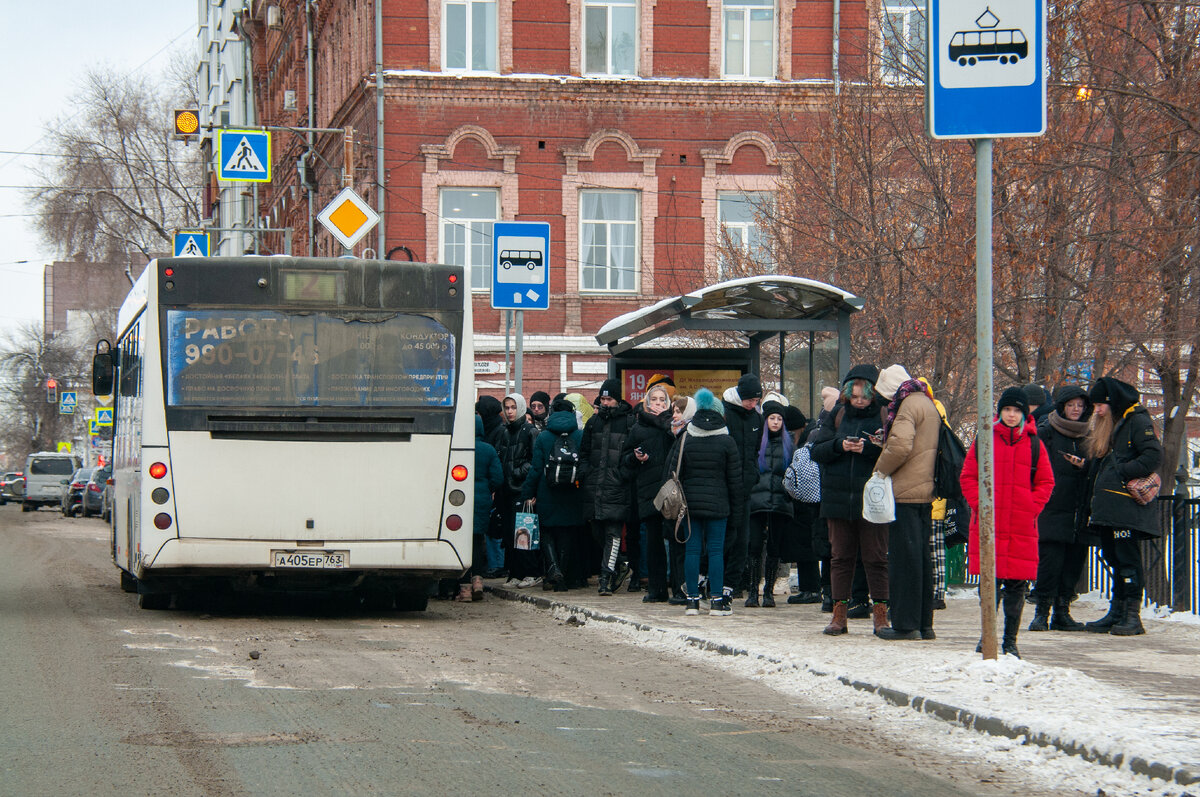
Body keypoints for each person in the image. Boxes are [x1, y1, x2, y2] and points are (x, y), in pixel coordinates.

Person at [960, 387, 1055, 658]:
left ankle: (1011, 641)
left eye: (1016, 411)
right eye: (1007, 410)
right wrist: (982, 505)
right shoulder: (985, 439)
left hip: (1021, 525)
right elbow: (968, 476)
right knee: (990, 583)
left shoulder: (1035, 443)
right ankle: (987, 634)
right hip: (990, 523)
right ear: (1000, 412)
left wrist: (1031, 507)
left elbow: (1046, 482)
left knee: (1017, 585)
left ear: (1024, 414)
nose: (1012, 415)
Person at [810, 365, 891, 635]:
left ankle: (881, 615)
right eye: (854, 396)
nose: (859, 401)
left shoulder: (883, 416)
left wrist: (867, 449)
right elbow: (817, 451)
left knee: (876, 558)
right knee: (840, 558)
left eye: (864, 396)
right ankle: (838, 615)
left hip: (872, 500)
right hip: (837, 497)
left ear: (873, 394)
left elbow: (893, 452)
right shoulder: (837, 414)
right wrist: (840, 445)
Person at [1082, 376, 1163, 636]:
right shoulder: (1114, 424)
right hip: (1109, 508)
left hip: (1125, 507)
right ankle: (1117, 612)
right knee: (1114, 558)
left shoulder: (1137, 420)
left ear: (1112, 402)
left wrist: (1122, 472)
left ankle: (1132, 615)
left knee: (1127, 560)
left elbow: (1153, 455)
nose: (1096, 410)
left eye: (1100, 405)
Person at [872, 364, 941, 641]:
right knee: (922, 559)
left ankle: (905, 624)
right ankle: (924, 623)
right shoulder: (925, 401)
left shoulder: (906, 405)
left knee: (903, 561)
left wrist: (880, 470)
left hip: (906, 491)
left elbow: (900, 446)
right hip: (925, 489)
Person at [666, 388, 743, 616]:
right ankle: (717, 602)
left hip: (689, 506)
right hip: (719, 505)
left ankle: (692, 601)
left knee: (692, 551)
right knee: (716, 551)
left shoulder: (685, 438)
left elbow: (672, 472)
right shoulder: (727, 441)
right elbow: (735, 482)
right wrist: (736, 513)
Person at [1029, 385, 1093, 632]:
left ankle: (1062, 612)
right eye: (1071, 405)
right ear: (1062, 407)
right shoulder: (1047, 431)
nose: (1076, 410)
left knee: (1073, 564)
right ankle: (1041, 612)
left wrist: (1085, 466)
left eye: (1080, 406)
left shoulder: (1089, 434)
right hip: (1052, 508)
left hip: (1078, 510)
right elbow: (1033, 465)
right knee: (1050, 563)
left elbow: (1095, 465)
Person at [520, 398, 585, 591]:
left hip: (547, 491)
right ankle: (561, 578)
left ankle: (553, 569)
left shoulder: (544, 436)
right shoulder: (580, 436)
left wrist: (527, 492)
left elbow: (536, 468)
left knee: (547, 532)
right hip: (573, 492)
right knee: (566, 534)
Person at [579, 378, 636, 596]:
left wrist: (622, 474)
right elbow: (584, 452)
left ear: (617, 399)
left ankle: (606, 577)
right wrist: (586, 472)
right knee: (598, 532)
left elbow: (631, 454)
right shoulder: (593, 423)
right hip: (595, 485)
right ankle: (621, 564)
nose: (605, 403)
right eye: (602, 399)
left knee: (613, 534)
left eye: (609, 399)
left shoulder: (628, 423)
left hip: (616, 486)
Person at [620, 383, 676, 602]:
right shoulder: (638, 427)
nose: (659, 403)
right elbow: (624, 462)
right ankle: (657, 589)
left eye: (663, 400)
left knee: (674, 540)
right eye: (655, 400)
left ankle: (678, 589)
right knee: (653, 544)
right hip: (649, 492)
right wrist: (635, 457)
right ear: (647, 402)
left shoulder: (674, 425)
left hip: (673, 493)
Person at [745, 398, 795, 607]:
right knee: (754, 546)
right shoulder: (756, 442)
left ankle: (768, 592)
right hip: (757, 501)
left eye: (779, 419)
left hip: (780, 502)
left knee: (774, 547)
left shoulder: (788, 444)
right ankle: (752, 591)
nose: (775, 422)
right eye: (772, 418)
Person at [721, 373, 764, 598]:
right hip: (725, 487)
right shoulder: (724, 413)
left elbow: (756, 451)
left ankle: (733, 583)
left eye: (756, 400)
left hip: (746, 487)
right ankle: (714, 580)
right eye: (749, 399)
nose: (752, 404)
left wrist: (754, 474)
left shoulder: (757, 418)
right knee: (725, 536)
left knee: (742, 538)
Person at [497, 392, 541, 588]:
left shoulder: (530, 431)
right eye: (507, 408)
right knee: (510, 534)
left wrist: (516, 472)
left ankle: (530, 572)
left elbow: (535, 462)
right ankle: (515, 572)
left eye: (513, 407)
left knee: (524, 533)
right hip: (507, 489)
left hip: (522, 490)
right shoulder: (505, 432)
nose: (510, 411)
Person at [462, 415, 504, 601]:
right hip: (481, 499)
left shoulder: (460, 448)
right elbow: (498, 478)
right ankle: (478, 581)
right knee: (477, 541)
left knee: (461, 543)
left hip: (459, 498)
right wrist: (488, 490)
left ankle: (464, 590)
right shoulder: (488, 450)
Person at [475, 395, 507, 578]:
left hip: (497, 490)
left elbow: (498, 466)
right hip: (490, 489)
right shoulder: (489, 431)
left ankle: (498, 564)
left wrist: (493, 488)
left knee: (496, 528)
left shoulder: (498, 432)